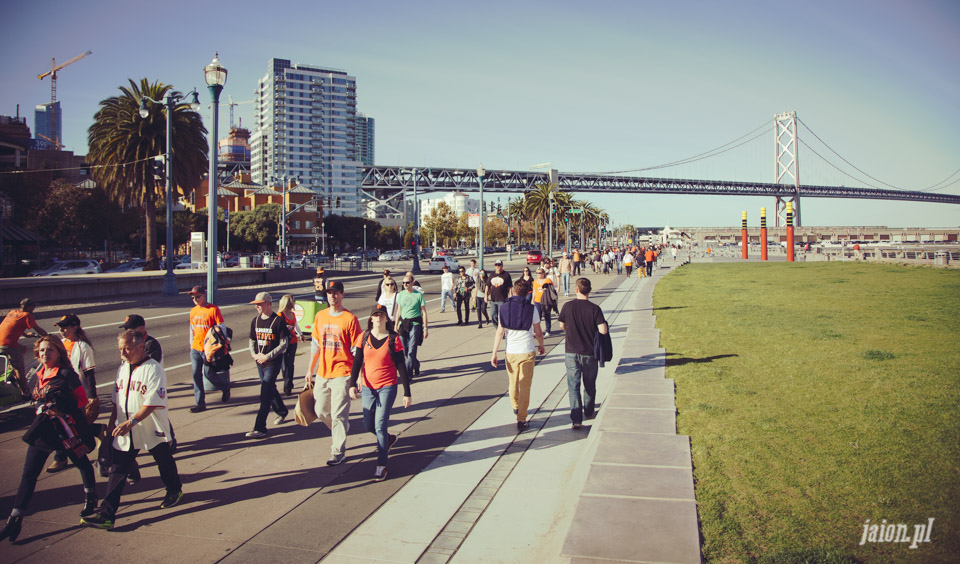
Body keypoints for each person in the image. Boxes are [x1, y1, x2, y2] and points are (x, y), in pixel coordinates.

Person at [81, 330, 183, 530]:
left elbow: (153, 402)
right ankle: (106, 515)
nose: (123, 353)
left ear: (140, 346)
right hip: (126, 427)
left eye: (127, 348)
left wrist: (132, 422)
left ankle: (174, 490)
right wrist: (112, 427)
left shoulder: (153, 369)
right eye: (120, 349)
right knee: (118, 470)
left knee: (163, 460)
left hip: (150, 425)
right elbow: (116, 401)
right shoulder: (123, 368)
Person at [1, 336, 97, 542]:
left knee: (81, 463)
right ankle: (15, 519)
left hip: (65, 430)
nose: (45, 354)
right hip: (44, 430)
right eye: (42, 350)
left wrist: (62, 409)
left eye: (50, 350)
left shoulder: (66, 374)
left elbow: (81, 400)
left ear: (58, 353)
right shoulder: (40, 373)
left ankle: (91, 497)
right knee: (29, 474)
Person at [348, 307, 411, 481]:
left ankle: (381, 465)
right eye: (375, 316)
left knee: (380, 425)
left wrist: (407, 392)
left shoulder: (393, 339)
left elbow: (400, 366)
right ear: (371, 319)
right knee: (369, 425)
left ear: (386, 319)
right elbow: (357, 361)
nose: (378, 318)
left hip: (387, 386)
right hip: (368, 387)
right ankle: (389, 439)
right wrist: (352, 384)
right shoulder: (364, 337)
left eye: (381, 315)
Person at [308, 281, 362, 465]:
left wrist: (358, 377)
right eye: (329, 293)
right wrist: (310, 370)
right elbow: (315, 345)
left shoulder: (350, 319)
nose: (332, 296)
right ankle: (341, 428)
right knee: (321, 411)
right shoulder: (320, 316)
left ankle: (338, 451)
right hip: (323, 372)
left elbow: (357, 350)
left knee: (338, 414)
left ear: (342, 295)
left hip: (343, 372)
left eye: (336, 293)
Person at [490, 279, 545, 433]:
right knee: (525, 385)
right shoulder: (532, 309)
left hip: (511, 352)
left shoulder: (504, 308)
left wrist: (494, 352)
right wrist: (541, 345)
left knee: (513, 381)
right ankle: (521, 419)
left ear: (513, 291)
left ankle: (515, 406)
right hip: (527, 350)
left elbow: (500, 332)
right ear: (528, 292)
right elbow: (538, 331)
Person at [47, 314, 97, 473]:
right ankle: (60, 458)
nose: (62, 330)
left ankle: (68, 456)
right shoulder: (60, 344)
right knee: (58, 426)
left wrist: (92, 396)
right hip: (59, 392)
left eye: (65, 327)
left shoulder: (83, 347)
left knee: (75, 427)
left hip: (75, 393)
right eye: (60, 327)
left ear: (75, 327)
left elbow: (89, 373)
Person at [558, 278, 609, 429]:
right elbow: (603, 330)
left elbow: (562, 325)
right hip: (589, 353)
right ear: (590, 290)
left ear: (576, 289)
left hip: (571, 352)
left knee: (573, 385)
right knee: (589, 384)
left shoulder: (568, 306)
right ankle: (588, 410)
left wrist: (570, 331)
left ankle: (576, 419)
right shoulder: (594, 309)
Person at [246, 292, 290, 438]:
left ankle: (260, 427)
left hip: (272, 362)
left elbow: (284, 344)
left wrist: (267, 356)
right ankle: (282, 411)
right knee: (270, 388)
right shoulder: (255, 321)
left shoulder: (278, 321)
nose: (257, 307)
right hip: (260, 362)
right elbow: (252, 340)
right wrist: (254, 354)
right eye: (256, 304)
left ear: (268, 303)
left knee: (265, 393)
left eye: (260, 304)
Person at [188, 286, 227, 412]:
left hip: (208, 349)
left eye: (197, 296)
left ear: (204, 296)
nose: (195, 299)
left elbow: (221, 327)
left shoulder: (213, 309)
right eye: (193, 297)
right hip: (195, 348)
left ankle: (224, 386)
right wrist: (191, 344)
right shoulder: (193, 311)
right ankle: (200, 403)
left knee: (208, 373)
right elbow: (192, 329)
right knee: (196, 375)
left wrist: (222, 344)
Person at [0, 298, 48, 395]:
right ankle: (25, 392)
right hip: (8, 346)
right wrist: (48, 337)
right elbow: (38, 329)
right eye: (33, 307)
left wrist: (26, 335)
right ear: (30, 307)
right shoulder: (27, 315)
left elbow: (12, 326)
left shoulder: (12, 312)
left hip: (1, 343)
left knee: (23, 348)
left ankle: (11, 368)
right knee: (20, 369)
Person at [395, 273, 429, 380]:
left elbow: (424, 312)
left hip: (415, 324)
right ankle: (416, 364)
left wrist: (425, 328)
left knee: (411, 350)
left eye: (407, 282)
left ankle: (408, 375)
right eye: (404, 283)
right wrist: (396, 323)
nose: (405, 284)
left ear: (412, 283)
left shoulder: (418, 295)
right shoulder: (400, 294)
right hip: (403, 324)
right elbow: (399, 310)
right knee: (404, 350)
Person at [278, 294, 304, 396]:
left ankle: (288, 386)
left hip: (293, 341)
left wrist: (300, 334)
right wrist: (285, 327)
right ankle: (287, 379)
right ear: (289, 302)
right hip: (283, 343)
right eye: (293, 301)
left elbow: (296, 325)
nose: (295, 303)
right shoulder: (280, 315)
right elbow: (277, 328)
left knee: (290, 364)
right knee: (284, 365)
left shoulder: (292, 314)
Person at [531, 267, 556, 337]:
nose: (538, 274)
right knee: (537, 316)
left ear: (543, 273)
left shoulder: (548, 280)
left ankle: (548, 331)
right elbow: (534, 291)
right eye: (537, 273)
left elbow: (552, 290)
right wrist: (533, 300)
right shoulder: (535, 282)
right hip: (537, 301)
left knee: (547, 315)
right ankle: (536, 331)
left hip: (546, 301)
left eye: (539, 273)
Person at [487, 260, 513, 326]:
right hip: (493, 299)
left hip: (502, 299)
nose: (497, 266)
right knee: (493, 315)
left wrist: (511, 297)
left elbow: (510, 287)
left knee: (501, 316)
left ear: (502, 266)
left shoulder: (506, 275)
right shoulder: (492, 274)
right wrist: (485, 295)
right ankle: (497, 328)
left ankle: (501, 330)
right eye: (496, 265)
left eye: (499, 265)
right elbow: (488, 285)